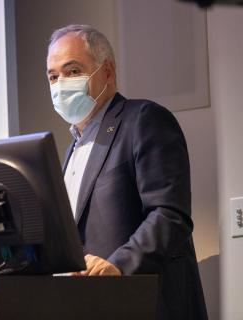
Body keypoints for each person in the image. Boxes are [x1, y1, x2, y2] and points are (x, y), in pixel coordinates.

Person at [46, 24, 207, 319]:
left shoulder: (143, 120)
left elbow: (170, 215)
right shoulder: (69, 151)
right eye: (53, 76)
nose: (60, 85)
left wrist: (118, 265)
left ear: (107, 72)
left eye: (72, 72)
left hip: (147, 305)